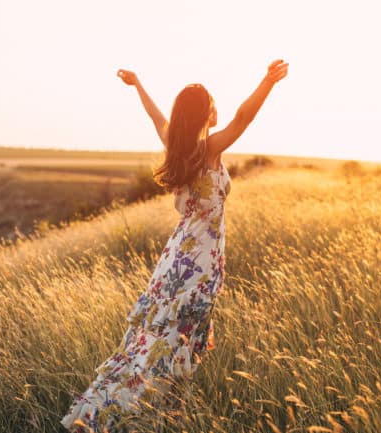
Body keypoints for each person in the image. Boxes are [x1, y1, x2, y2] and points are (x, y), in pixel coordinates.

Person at [61, 59, 288, 432]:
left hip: (175, 259)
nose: (218, 110)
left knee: (156, 337)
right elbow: (244, 118)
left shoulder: (177, 146)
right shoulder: (208, 150)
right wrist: (267, 82)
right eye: (213, 105)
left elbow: (155, 118)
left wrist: (138, 85)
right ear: (206, 114)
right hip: (199, 263)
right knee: (178, 340)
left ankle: (136, 410)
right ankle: (152, 415)